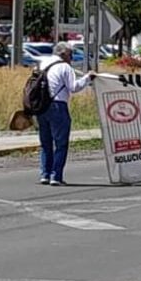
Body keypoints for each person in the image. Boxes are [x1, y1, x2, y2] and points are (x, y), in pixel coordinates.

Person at [36, 42, 96, 186]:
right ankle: (55, 176)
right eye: (70, 54)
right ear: (63, 54)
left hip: (41, 107)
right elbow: (73, 87)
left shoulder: (42, 63)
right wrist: (88, 78)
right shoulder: (65, 67)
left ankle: (45, 173)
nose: (72, 58)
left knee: (46, 143)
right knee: (61, 143)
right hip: (58, 106)